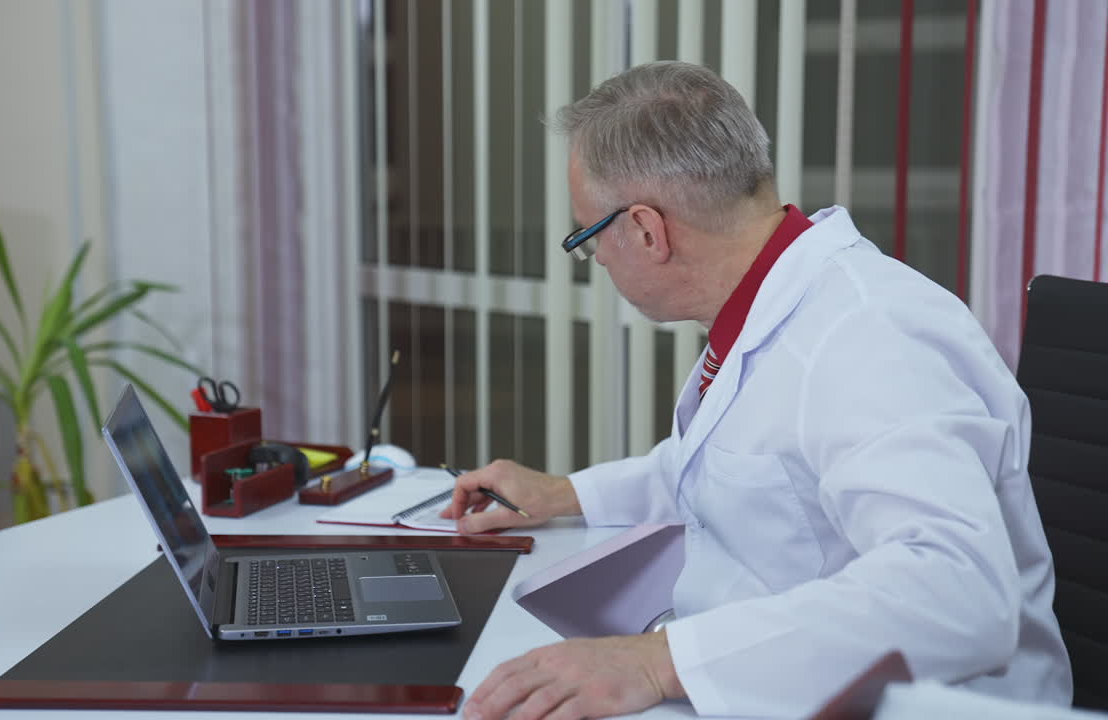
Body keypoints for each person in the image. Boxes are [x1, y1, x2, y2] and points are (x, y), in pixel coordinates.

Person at [441, 61, 1072, 719]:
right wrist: (565, 493)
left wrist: (654, 662)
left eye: (587, 237)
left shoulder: (870, 337)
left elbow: (958, 593)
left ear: (646, 230)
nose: (595, 260)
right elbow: (725, 472)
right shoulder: (764, 307)